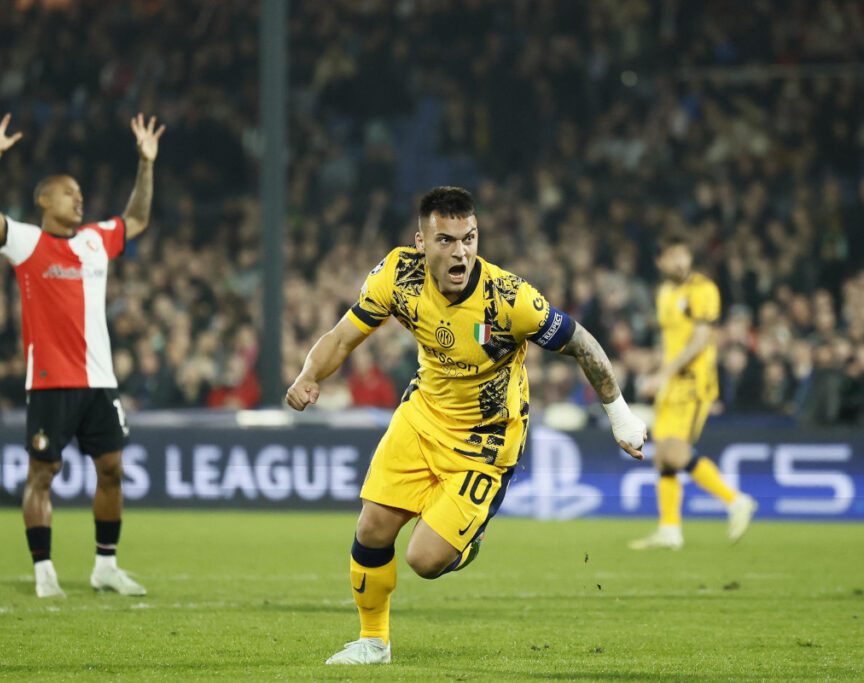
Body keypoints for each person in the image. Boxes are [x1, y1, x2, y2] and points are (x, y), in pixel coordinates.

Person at [286, 187, 647, 665]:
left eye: (469, 238)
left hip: (487, 442)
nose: (461, 252)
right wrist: (310, 374)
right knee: (373, 527)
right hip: (422, 418)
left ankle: (464, 541)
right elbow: (343, 335)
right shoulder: (398, 276)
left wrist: (619, 415)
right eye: (447, 240)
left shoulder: (510, 299)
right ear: (421, 242)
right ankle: (374, 641)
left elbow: (582, 343)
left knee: (424, 561)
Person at [0, 108, 165, 597]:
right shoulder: (26, 241)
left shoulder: (96, 241)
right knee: (43, 473)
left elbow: (137, 217)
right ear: (44, 200)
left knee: (113, 470)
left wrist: (146, 163)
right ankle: (44, 572)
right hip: (51, 381)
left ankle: (105, 566)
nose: (79, 198)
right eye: (68, 192)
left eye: (80, 193)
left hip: (100, 382)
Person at [630, 234, 757, 551]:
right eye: (672, 256)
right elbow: (669, 341)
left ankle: (736, 500)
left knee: (673, 450)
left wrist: (663, 374)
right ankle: (670, 529)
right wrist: (655, 369)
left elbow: (700, 340)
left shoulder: (704, 290)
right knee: (662, 459)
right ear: (660, 262)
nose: (680, 261)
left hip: (693, 383)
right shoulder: (664, 293)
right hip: (670, 384)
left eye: (684, 254)